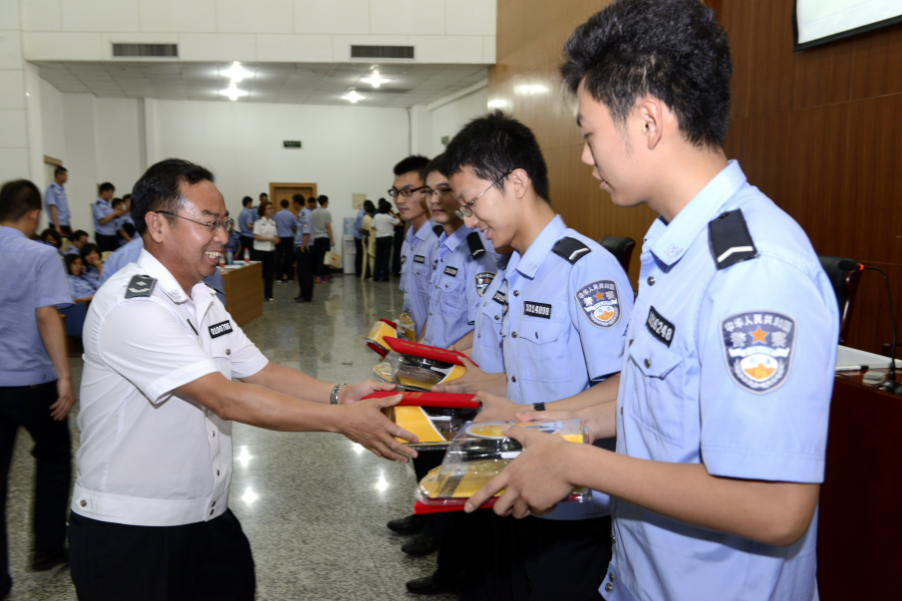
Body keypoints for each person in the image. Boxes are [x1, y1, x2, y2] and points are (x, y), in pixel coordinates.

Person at [465, 3, 839, 601]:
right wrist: (542, 423)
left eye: (589, 134)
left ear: (646, 121)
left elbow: (775, 506)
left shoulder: (753, 270)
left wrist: (574, 463)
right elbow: (651, 400)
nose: (585, 157)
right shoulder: (676, 250)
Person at [67, 158, 419, 601]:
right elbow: (226, 398)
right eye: (209, 223)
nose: (223, 236)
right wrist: (344, 422)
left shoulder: (203, 300)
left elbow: (262, 372)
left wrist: (342, 394)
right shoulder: (133, 305)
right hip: (132, 530)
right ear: (157, 225)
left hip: (206, 516)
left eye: (225, 222)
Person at [433, 113, 634, 600]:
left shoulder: (584, 270)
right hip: (518, 483)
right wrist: (464, 390)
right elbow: (527, 378)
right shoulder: (513, 271)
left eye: (472, 203)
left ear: (516, 182)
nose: (470, 220)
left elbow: (623, 389)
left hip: (573, 498)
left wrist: (531, 416)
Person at [0, 179, 75, 599]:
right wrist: (65, 376)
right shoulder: (40, 254)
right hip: (31, 381)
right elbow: (47, 315)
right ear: (32, 214)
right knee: (54, 458)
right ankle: (46, 549)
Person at [392, 156, 440, 338]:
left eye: (407, 192)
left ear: (428, 191)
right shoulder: (409, 241)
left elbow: (438, 308)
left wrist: (418, 351)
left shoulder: (440, 241)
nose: (399, 200)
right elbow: (410, 302)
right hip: (416, 344)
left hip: (433, 349)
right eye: (395, 192)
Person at [253, 200, 279, 302]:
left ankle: (268, 295)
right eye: (269, 208)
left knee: (270, 274)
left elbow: (275, 235)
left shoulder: (273, 222)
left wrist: (276, 239)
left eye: (272, 208)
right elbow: (257, 236)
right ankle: (255, 295)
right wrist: (271, 239)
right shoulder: (258, 222)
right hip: (260, 250)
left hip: (270, 250)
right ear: (263, 210)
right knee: (258, 274)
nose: (271, 210)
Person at [372, 199, 400, 282]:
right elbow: (399, 221)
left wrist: (379, 228)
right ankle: (385, 277)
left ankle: (376, 277)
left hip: (378, 237)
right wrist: (393, 213)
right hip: (387, 238)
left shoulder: (376, 216)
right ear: (388, 209)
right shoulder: (389, 217)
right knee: (386, 258)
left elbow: (372, 226)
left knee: (378, 258)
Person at [293, 195, 314, 303]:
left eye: (293, 203)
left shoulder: (306, 214)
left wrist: (302, 246)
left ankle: (307, 296)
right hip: (300, 246)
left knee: (306, 272)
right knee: (301, 272)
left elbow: (307, 232)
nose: (293, 205)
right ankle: (302, 293)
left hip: (305, 247)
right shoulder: (301, 214)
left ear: (297, 203)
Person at [93, 182, 125, 252]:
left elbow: (110, 218)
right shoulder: (97, 205)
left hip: (112, 234)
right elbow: (102, 221)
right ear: (104, 192)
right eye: (110, 193)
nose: (112, 195)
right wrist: (114, 214)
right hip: (103, 236)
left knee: (118, 253)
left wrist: (118, 215)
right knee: (105, 256)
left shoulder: (107, 205)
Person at [312, 195, 334, 283]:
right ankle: (319, 276)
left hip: (315, 238)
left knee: (319, 257)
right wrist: (332, 239)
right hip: (324, 237)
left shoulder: (313, 212)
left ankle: (327, 274)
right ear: (325, 202)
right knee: (324, 257)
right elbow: (328, 227)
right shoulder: (326, 213)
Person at [273, 199, 296, 282]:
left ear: (281, 205)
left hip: (279, 237)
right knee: (289, 257)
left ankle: (279, 276)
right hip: (289, 237)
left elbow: (274, 225)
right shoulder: (291, 215)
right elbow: (295, 225)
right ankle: (290, 277)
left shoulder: (277, 215)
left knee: (278, 257)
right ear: (288, 205)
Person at [44, 166, 71, 237]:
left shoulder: (62, 189)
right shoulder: (51, 189)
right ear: (58, 175)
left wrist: (69, 226)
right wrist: (57, 227)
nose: (67, 178)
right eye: (65, 175)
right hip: (57, 225)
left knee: (66, 246)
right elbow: (52, 208)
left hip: (65, 224)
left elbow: (65, 210)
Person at [360, 201, 376, 280]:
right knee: (370, 258)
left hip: (365, 237)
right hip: (369, 238)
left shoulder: (364, 217)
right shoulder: (370, 219)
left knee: (365, 257)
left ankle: (365, 274)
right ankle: (370, 274)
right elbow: (372, 232)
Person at [352, 204, 366, 276]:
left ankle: (359, 270)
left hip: (358, 236)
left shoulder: (362, 213)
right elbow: (360, 229)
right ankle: (358, 272)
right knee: (359, 254)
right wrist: (367, 231)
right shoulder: (362, 215)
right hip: (358, 237)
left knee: (360, 254)